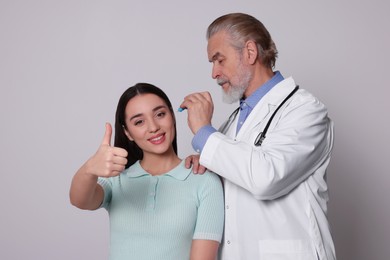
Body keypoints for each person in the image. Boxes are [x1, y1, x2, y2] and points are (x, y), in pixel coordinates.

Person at [179, 13, 336, 260]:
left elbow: (266, 178)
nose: (214, 73)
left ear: (250, 52)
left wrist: (204, 133)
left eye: (219, 60)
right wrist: (207, 164)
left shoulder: (305, 110)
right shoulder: (232, 122)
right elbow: (234, 176)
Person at [70, 83, 224, 260]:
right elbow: (79, 200)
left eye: (160, 114)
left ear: (172, 117)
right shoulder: (118, 180)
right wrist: (90, 168)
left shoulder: (204, 181)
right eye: (139, 122)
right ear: (127, 132)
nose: (153, 127)